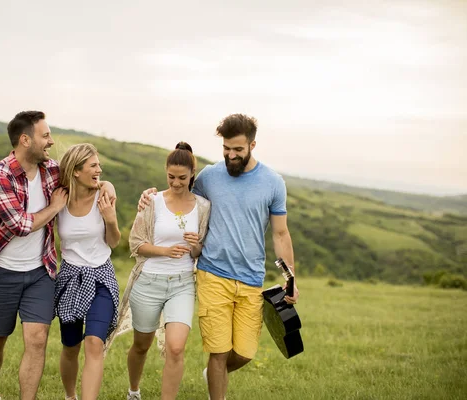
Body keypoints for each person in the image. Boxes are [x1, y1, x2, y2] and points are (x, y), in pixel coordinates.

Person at [138, 114, 299, 400]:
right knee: (219, 352)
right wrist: (149, 196)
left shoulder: (273, 183)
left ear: (252, 144)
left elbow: (280, 235)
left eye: (238, 149)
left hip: (251, 280)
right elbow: (179, 192)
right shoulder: (209, 177)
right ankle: (217, 383)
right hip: (213, 274)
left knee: (245, 353)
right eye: (226, 148)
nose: (231, 155)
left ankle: (214, 373)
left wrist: (290, 278)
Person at [0, 112, 114, 400]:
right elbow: (20, 225)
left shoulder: (52, 171)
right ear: (25, 139)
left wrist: (105, 184)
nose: (51, 141)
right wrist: (55, 208)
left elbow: (85, 175)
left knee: (37, 339)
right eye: (45, 136)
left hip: (40, 272)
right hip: (2, 270)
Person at [106, 142, 211, 400]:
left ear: (192, 174)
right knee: (142, 344)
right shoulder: (152, 201)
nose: (176, 183)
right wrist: (166, 251)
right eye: (171, 177)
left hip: (182, 283)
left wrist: (196, 245)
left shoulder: (203, 206)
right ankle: (133, 391)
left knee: (176, 348)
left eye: (182, 178)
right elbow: (135, 244)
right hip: (149, 282)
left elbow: (198, 252)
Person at [54, 143, 121, 400]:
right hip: (71, 277)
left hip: (101, 277)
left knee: (95, 343)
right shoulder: (59, 200)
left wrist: (111, 218)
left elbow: (113, 242)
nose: (99, 170)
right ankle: (70, 396)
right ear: (76, 171)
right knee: (71, 346)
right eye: (93, 166)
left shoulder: (103, 197)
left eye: (99, 165)